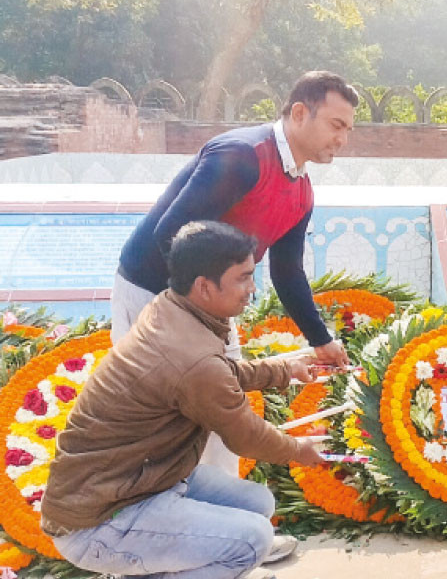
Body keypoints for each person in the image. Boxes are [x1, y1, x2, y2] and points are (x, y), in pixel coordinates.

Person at [40, 221, 329, 579]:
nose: (251, 289)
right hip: (100, 519)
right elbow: (246, 435)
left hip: (147, 481)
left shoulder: (171, 308)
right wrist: (299, 450)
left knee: (258, 504)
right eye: (242, 278)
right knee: (253, 540)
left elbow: (216, 374)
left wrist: (284, 369)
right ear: (204, 287)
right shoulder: (192, 357)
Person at [113, 71, 356, 480]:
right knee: (159, 418)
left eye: (348, 129)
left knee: (225, 409)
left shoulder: (302, 192)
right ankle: (146, 525)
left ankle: (226, 523)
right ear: (300, 112)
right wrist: (191, 324)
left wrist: (321, 340)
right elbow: (168, 236)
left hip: (209, 305)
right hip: (153, 293)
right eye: (336, 125)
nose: (342, 139)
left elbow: (286, 269)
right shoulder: (242, 156)